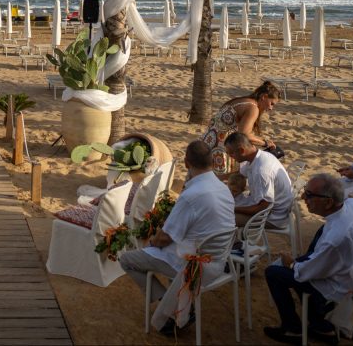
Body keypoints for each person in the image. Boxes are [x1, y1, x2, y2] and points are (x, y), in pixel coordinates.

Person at [264, 173, 353, 344]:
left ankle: (293, 328)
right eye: (305, 191)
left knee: (274, 272)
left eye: (310, 195)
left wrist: (291, 263)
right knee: (320, 234)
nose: (304, 197)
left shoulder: (336, 239)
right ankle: (320, 324)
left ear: (328, 202)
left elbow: (307, 273)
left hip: (342, 284)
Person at [119, 140, 235, 335]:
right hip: (220, 262)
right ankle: (174, 303)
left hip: (194, 268)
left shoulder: (192, 195)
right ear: (212, 163)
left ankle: (169, 304)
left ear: (187, 164)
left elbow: (165, 238)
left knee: (126, 260)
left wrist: (152, 242)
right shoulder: (224, 189)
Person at [201, 81, 282, 168]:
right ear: (264, 97)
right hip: (220, 148)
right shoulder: (253, 108)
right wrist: (265, 143)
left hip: (208, 141)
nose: (271, 108)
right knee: (226, 178)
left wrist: (261, 140)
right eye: (271, 103)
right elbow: (244, 135)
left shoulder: (243, 101)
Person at [224, 132, 293, 228]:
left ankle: (235, 242)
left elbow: (262, 208)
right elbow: (239, 173)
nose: (229, 156)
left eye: (231, 153)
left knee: (222, 216)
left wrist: (234, 209)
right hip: (266, 208)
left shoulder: (261, 171)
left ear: (241, 150)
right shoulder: (258, 155)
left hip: (273, 218)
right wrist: (214, 177)